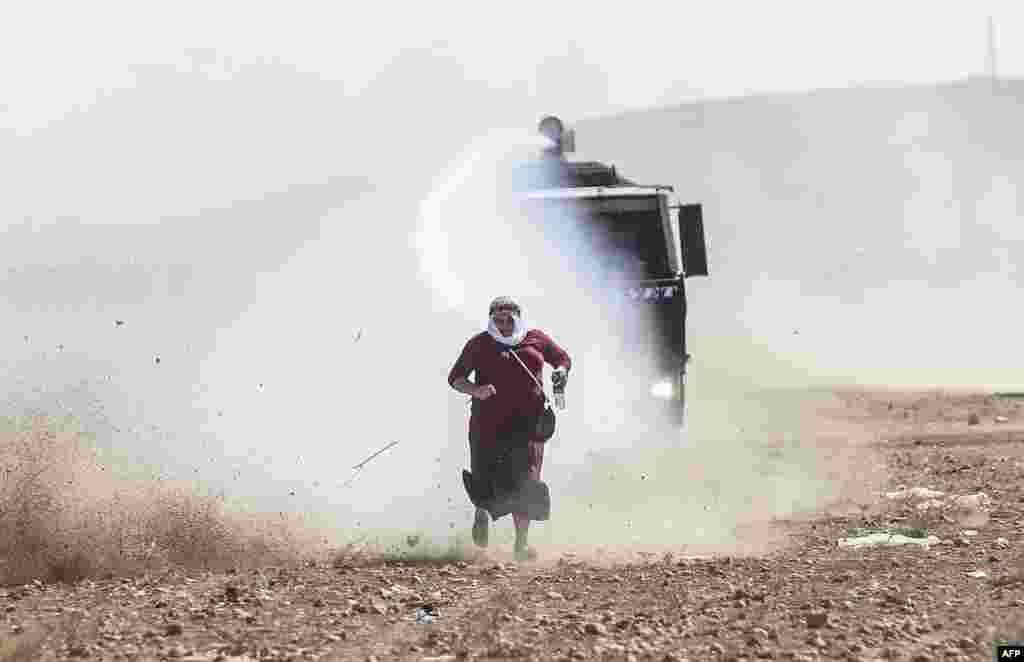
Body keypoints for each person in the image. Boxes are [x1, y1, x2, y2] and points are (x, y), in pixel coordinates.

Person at [447, 296, 571, 561]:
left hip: (529, 425)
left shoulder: (535, 339)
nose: (503, 325)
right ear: (491, 319)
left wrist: (560, 371)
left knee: (526, 482)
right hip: (488, 424)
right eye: (498, 320)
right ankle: (482, 512)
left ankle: (521, 545)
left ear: (518, 317)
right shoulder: (479, 343)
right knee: (485, 477)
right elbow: (455, 378)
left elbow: (561, 358)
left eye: (508, 319)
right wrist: (476, 390)